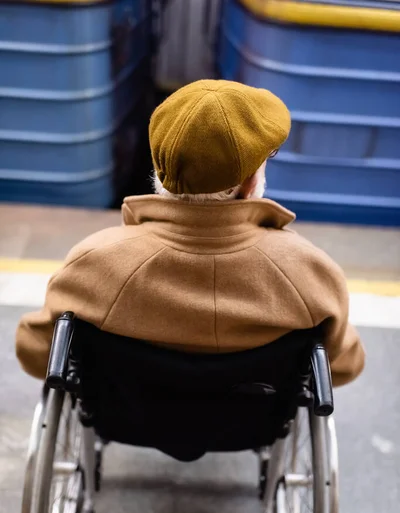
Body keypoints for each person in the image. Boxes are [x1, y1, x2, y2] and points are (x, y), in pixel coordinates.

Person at [16, 79, 365, 386]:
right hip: (250, 423)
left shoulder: (93, 262)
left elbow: (36, 352)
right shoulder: (310, 272)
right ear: (249, 185)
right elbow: (344, 366)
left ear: (160, 169)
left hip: (129, 417)